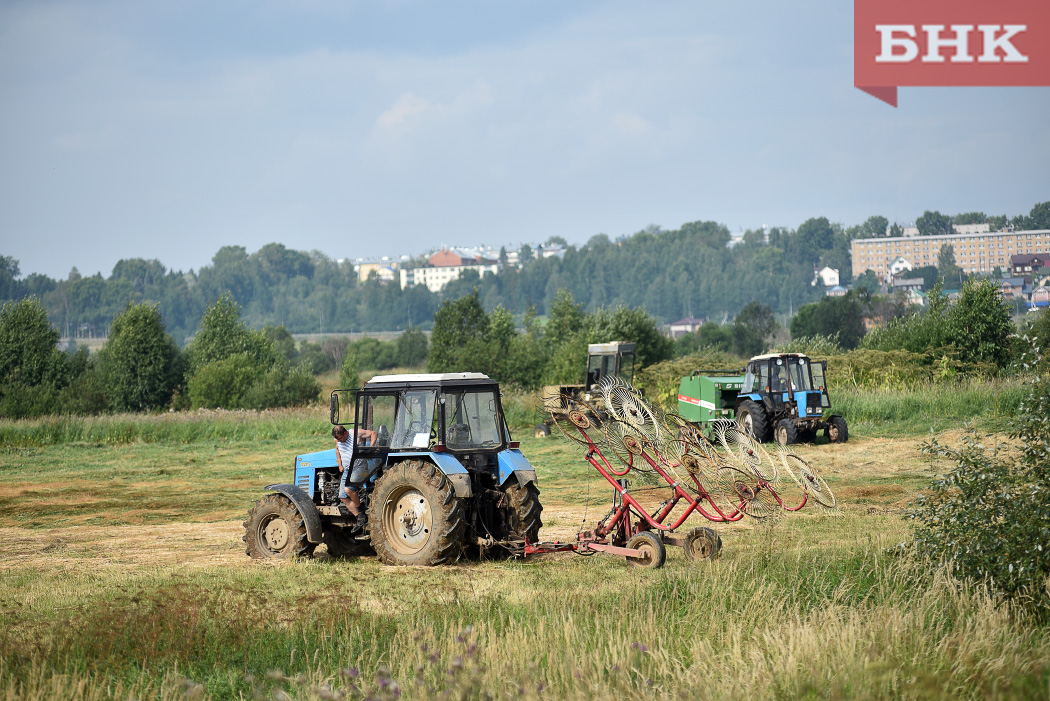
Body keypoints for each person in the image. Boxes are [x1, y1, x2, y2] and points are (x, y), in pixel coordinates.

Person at [332, 425, 377, 529]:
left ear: (345, 433)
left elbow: (373, 433)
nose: (338, 440)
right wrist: (340, 464)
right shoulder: (338, 440)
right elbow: (337, 450)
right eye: (336, 438)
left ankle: (361, 509)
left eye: (340, 438)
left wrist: (370, 448)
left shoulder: (355, 433)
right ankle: (360, 517)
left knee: (348, 489)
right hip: (347, 469)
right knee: (343, 496)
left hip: (359, 466)